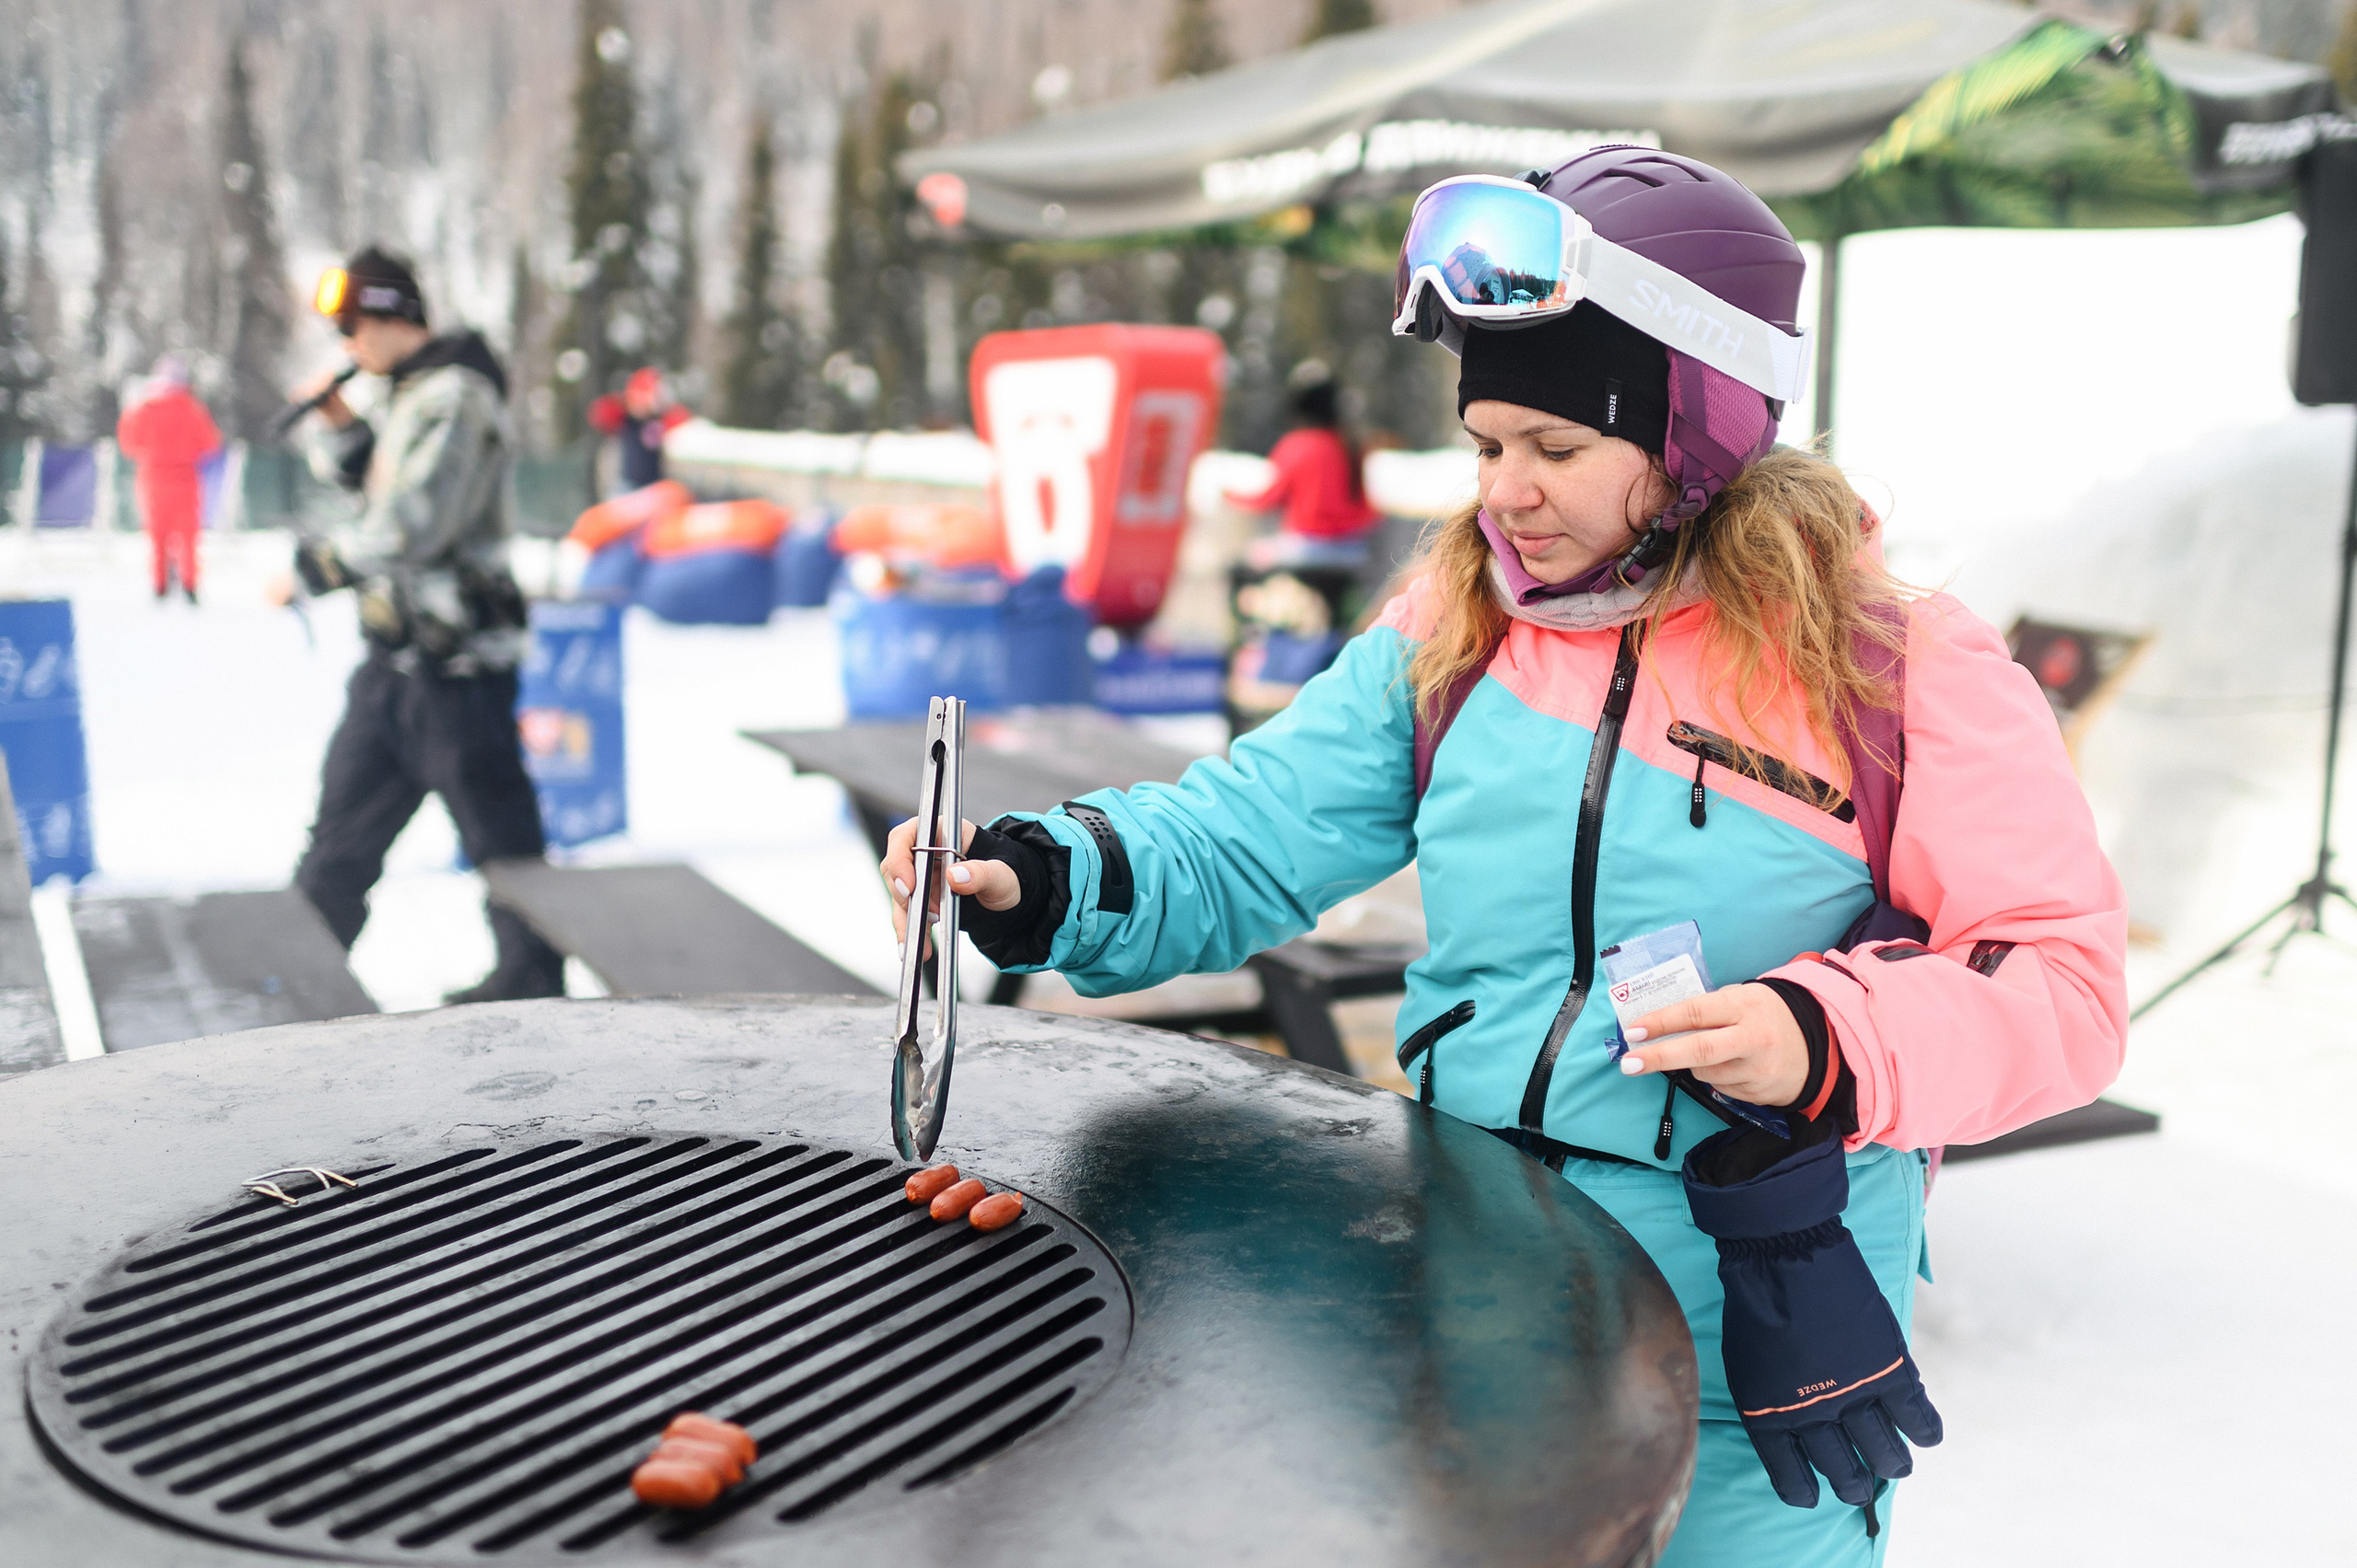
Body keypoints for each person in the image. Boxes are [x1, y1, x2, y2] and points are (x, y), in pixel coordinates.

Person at [882, 149, 2127, 1564]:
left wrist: (1824, 1032)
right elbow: (1251, 831)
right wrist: (1049, 875)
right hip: (1479, 1259)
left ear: (1699, 428)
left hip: (1747, 1306)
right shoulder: (1459, 623)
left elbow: (2063, 984)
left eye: (1556, 446)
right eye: (1485, 445)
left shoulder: (1893, 666)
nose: (1506, 494)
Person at [280, 246, 565, 1004]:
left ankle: (533, 988)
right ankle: (299, 986)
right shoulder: (414, 393)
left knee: (503, 846)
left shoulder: (456, 395)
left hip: (458, 669)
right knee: (337, 844)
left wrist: (315, 568)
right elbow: (389, 487)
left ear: (390, 314)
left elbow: (413, 523)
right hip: (395, 665)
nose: (347, 345)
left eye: (352, 327)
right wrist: (344, 430)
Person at [114, 354, 221, 603]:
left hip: (153, 478)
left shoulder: (145, 409)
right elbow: (210, 443)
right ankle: (190, 585)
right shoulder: (193, 409)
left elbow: (128, 444)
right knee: (188, 536)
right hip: (186, 478)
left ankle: (160, 585)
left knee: (157, 535)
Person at [587, 366, 691, 493]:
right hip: (629, 485)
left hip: (656, 486)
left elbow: (682, 427)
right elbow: (601, 415)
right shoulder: (626, 417)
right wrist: (628, 403)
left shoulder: (662, 418)